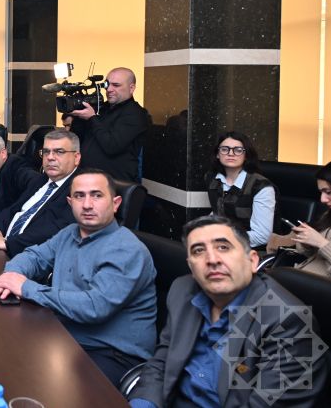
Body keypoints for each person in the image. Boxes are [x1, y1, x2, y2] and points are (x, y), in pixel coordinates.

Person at [128, 215, 328, 407]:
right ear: (191, 267)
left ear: (252, 261)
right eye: (198, 251)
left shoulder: (290, 321)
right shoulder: (182, 291)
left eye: (223, 247)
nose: (212, 259)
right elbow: (162, 363)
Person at [0, 169, 156, 387]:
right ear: (70, 202)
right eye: (79, 196)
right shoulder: (70, 232)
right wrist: (11, 275)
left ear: (115, 204)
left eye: (96, 195)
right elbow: (34, 256)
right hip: (65, 335)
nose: (87, 204)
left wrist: (26, 287)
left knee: (39, 384)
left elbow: (93, 307)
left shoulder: (127, 249)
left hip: (111, 354)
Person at [0, 129, 81, 258]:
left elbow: (56, 230)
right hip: (1, 249)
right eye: (46, 152)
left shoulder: (80, 189)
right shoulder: (41, 180)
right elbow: (13, 210)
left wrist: (8, 244)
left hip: (31, 258)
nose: (50, 157)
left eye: (59, 152)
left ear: (76, 158)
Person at [69, 66, 148, 182]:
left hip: (114, 183)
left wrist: (92, 118)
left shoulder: (136, 113)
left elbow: (112, 146)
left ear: (131, 88)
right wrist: (78, 113)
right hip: (86, 178)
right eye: (107, 84)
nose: (109, 89)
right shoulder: (102, 108)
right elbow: (76, 138)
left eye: (116, 85)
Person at [206, 130, 275, 250]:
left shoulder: (261, 187)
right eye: (225, 149)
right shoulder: (212, 179)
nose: (230, 153)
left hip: (252, 250)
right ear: (217, 154)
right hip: (220, 245)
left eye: (238, 150)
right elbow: (218, 210)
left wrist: (222, 239)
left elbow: (262, 236)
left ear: (246, 155)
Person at [269, 161, 331, 276]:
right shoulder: (328, 215)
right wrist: (307, 242)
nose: (322, 199)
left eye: (328, 192)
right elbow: (312, 255)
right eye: (321, 192)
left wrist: (321, 243)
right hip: (301, 276)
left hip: (316, 284)